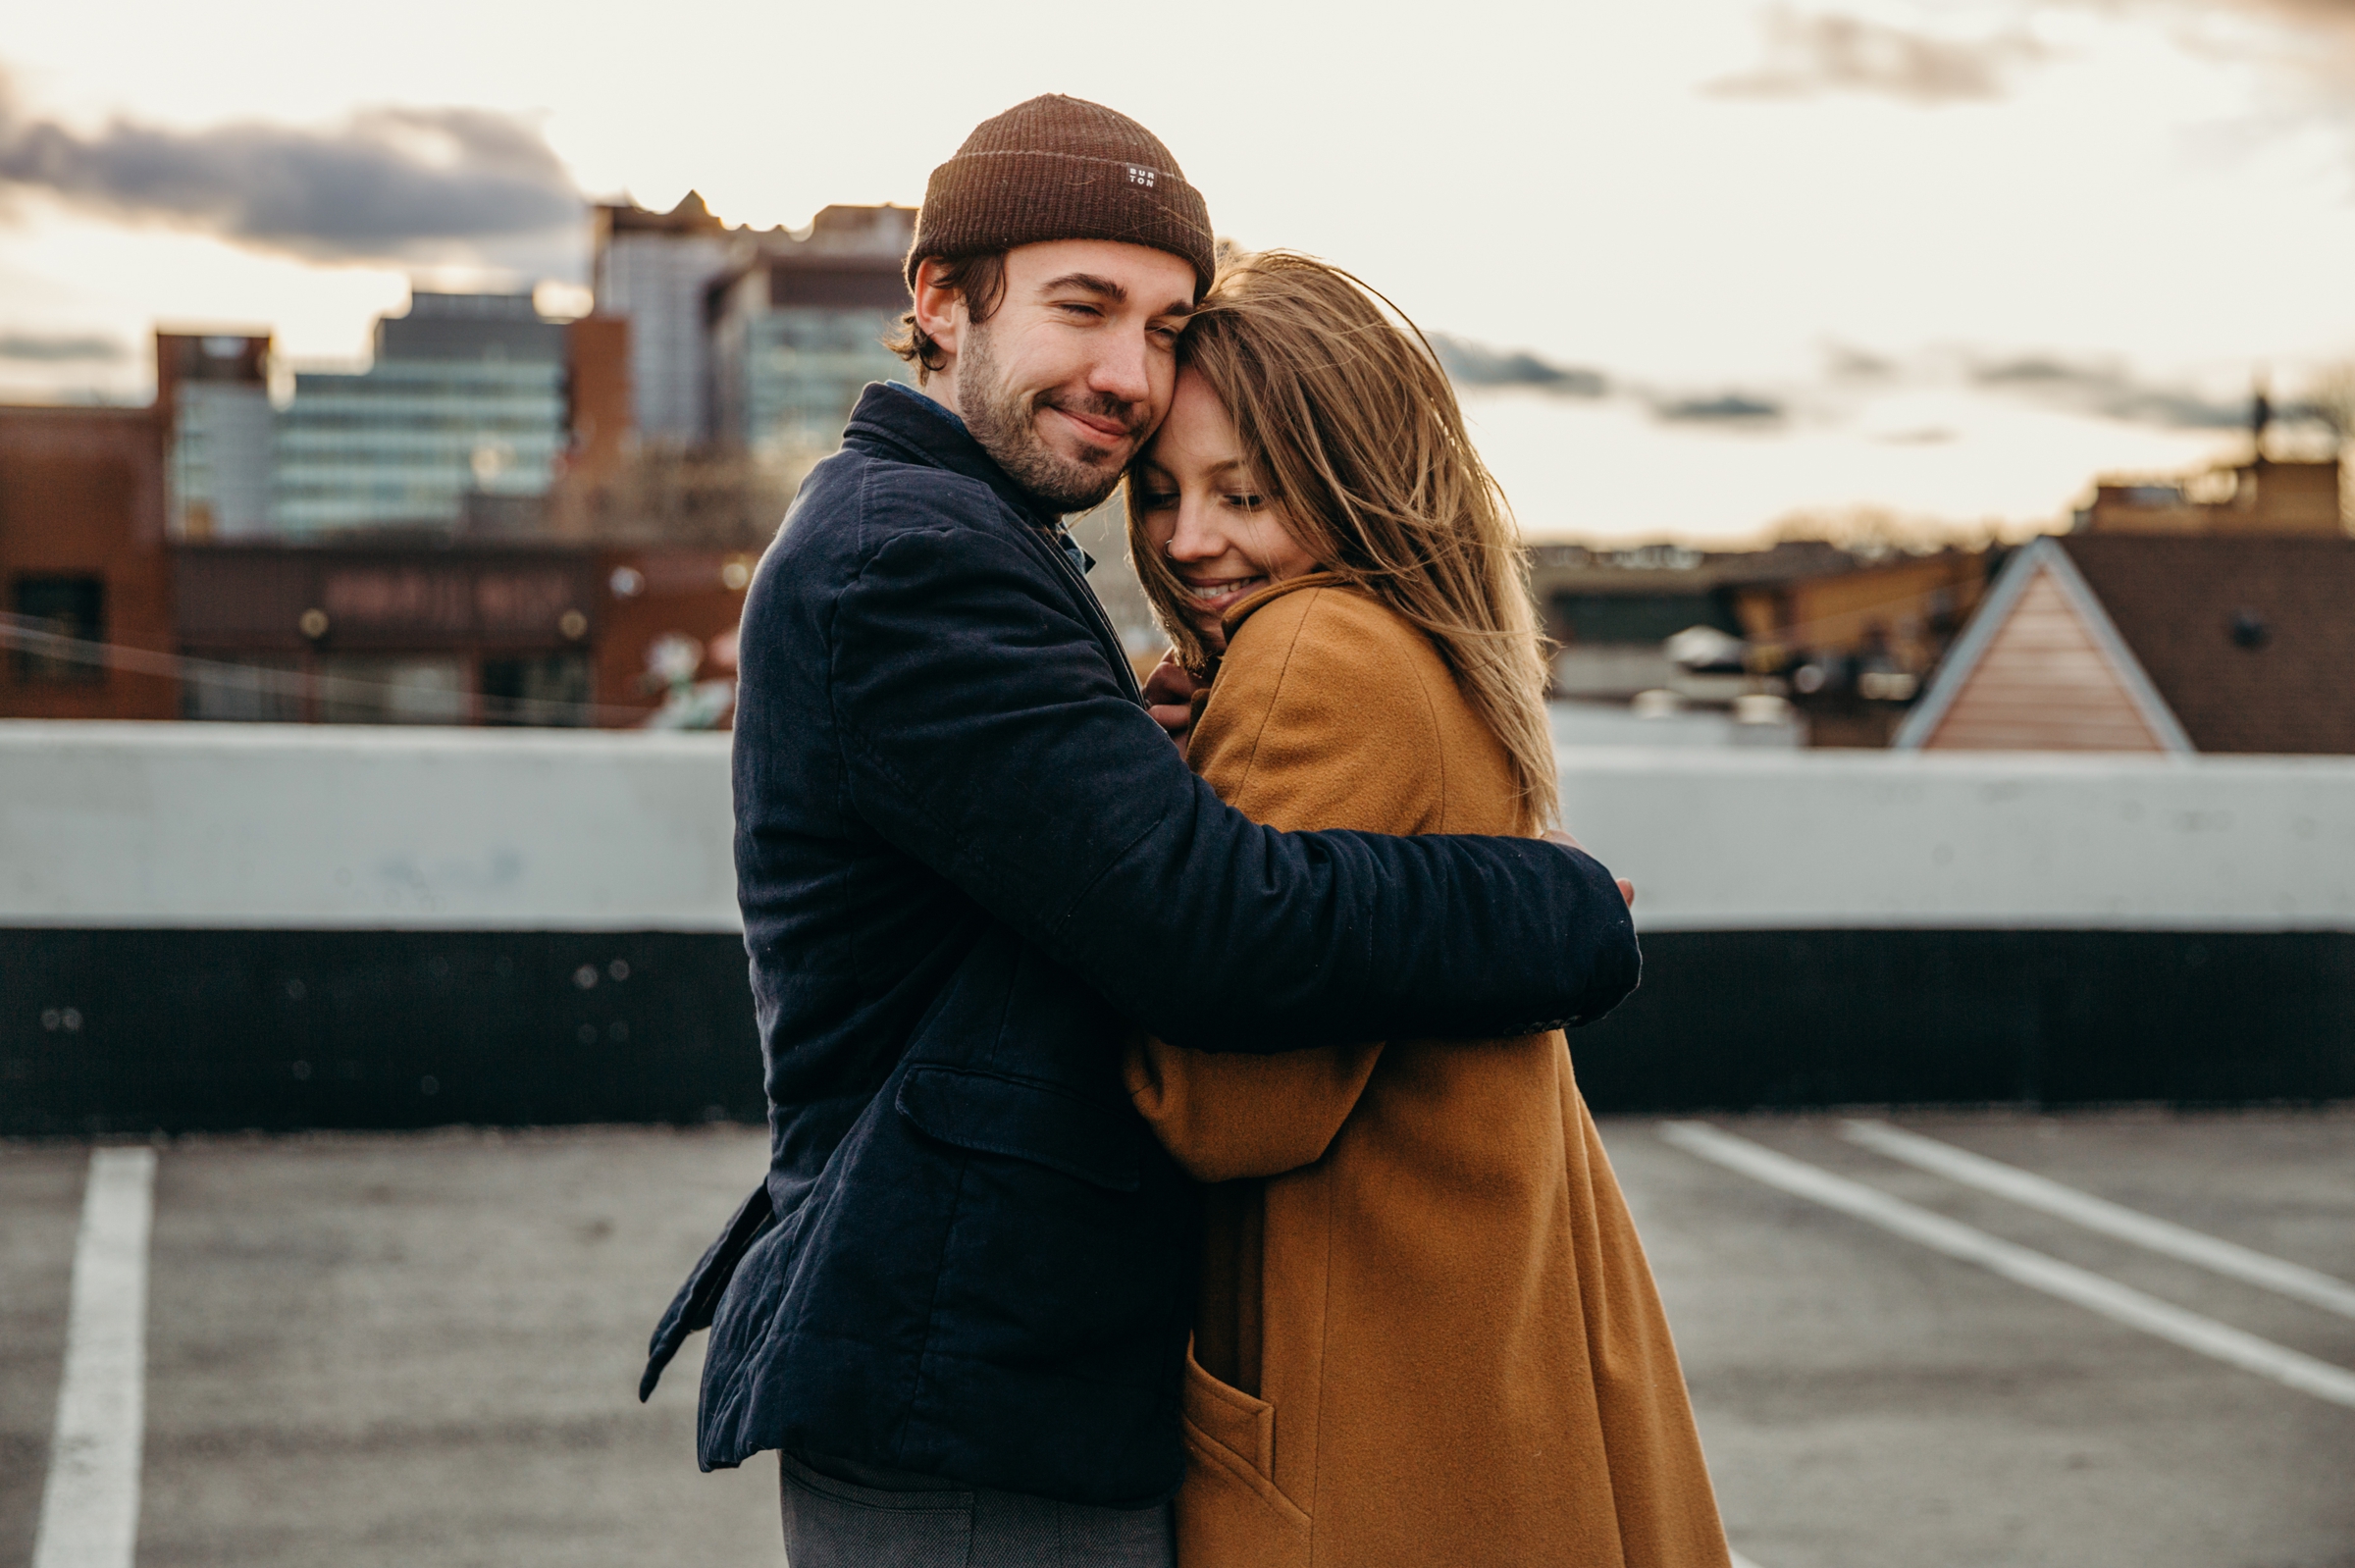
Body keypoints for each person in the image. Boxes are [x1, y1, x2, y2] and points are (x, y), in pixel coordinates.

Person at [636, 98, 1644, 1566]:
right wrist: (1557, 909)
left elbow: (1071, 877)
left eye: (1165, 325)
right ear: (938, 299)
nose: (1128, 373)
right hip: (975, 1410)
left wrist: (1128, 757)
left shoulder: (961, 537)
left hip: (1002, 1375)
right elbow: (1209, 928)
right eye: (1085, 307)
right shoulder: (908, 555)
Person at [1122, 251, 1729, 1568]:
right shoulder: (1432, 645)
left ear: (1353, 479)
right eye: (1162, 492)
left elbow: (1230, 1106)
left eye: (1246, 491)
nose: (1185, 538)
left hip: (1367, 1428)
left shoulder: (1305, 653)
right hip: (1488, 1376)